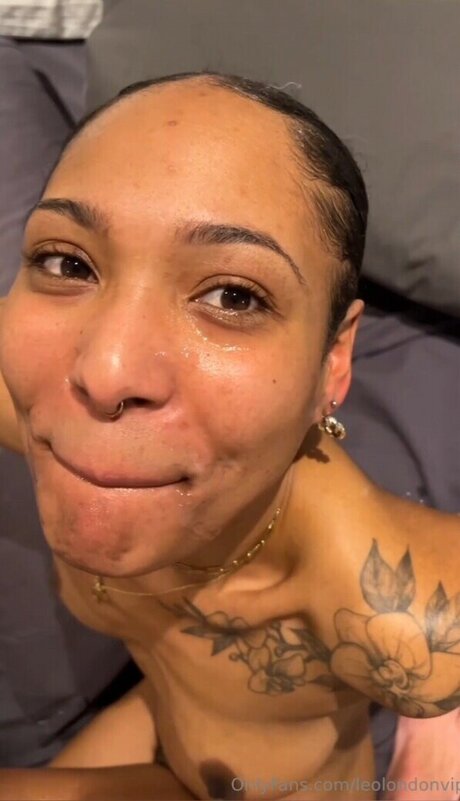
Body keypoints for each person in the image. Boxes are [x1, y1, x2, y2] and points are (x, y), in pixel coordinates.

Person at [0, 72, 458, 800]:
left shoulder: (402, 615)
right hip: (162, 707)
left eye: (233, 296)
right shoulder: (37, 394)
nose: (104, 373)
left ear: (334, 360)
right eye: (68, 263)